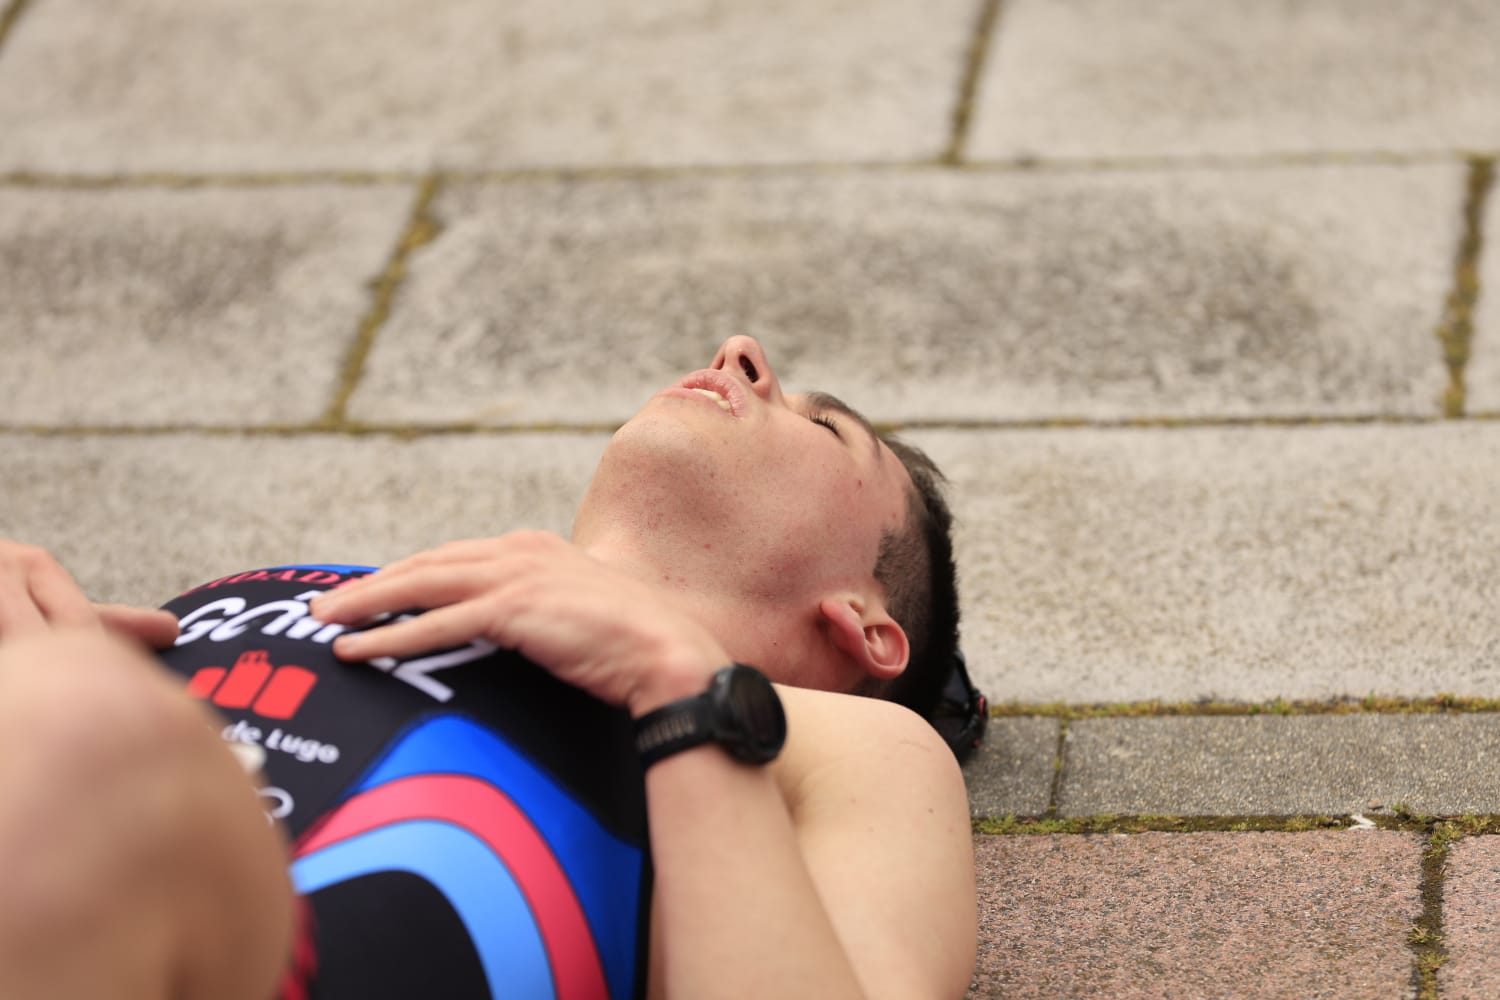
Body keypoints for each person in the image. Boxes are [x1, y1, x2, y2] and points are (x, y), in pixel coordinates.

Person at [0, 336, 978, 1000]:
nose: (739, 355)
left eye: (820, 425)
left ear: (865, 623)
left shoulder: (842, 745)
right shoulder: (341, 582)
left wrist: (678, 678)